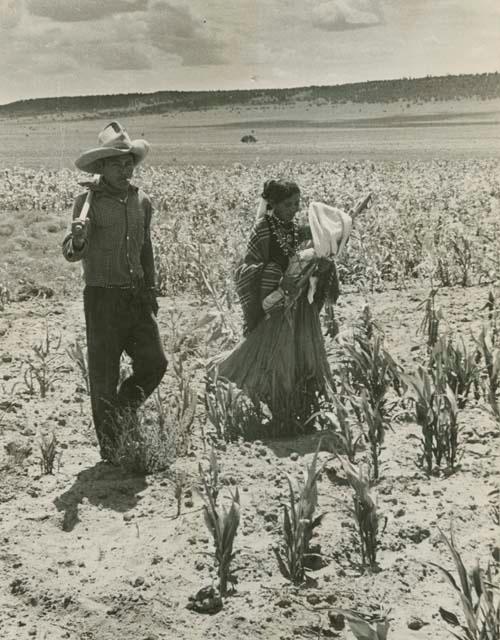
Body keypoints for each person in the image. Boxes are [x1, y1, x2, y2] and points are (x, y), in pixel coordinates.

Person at [62, 121, 167, 461]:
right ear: (101, 168)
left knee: (155, 363)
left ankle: (123, 411)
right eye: (117, 164)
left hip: (136, 295)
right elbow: (70, 252)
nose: (126, 170)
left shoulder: (142, 200)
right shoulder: (86, 202)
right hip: (102, 298)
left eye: (129, 164)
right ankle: (111, 448)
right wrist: (78, 238)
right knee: (104, 374)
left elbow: (146, 247)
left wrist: (150, 289)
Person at [215, 179, 351, 435]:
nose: (294, 209)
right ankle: (276, 403)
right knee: (274, 353)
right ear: (273, 204)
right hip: (275, 303)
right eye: (288, 204)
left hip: (295, 302)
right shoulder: (263, 229)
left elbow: (316, 243)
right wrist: (278, 275)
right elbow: (249, 268)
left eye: (297, 204)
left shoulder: (292, 228)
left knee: (297, 352)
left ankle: (298, 401)